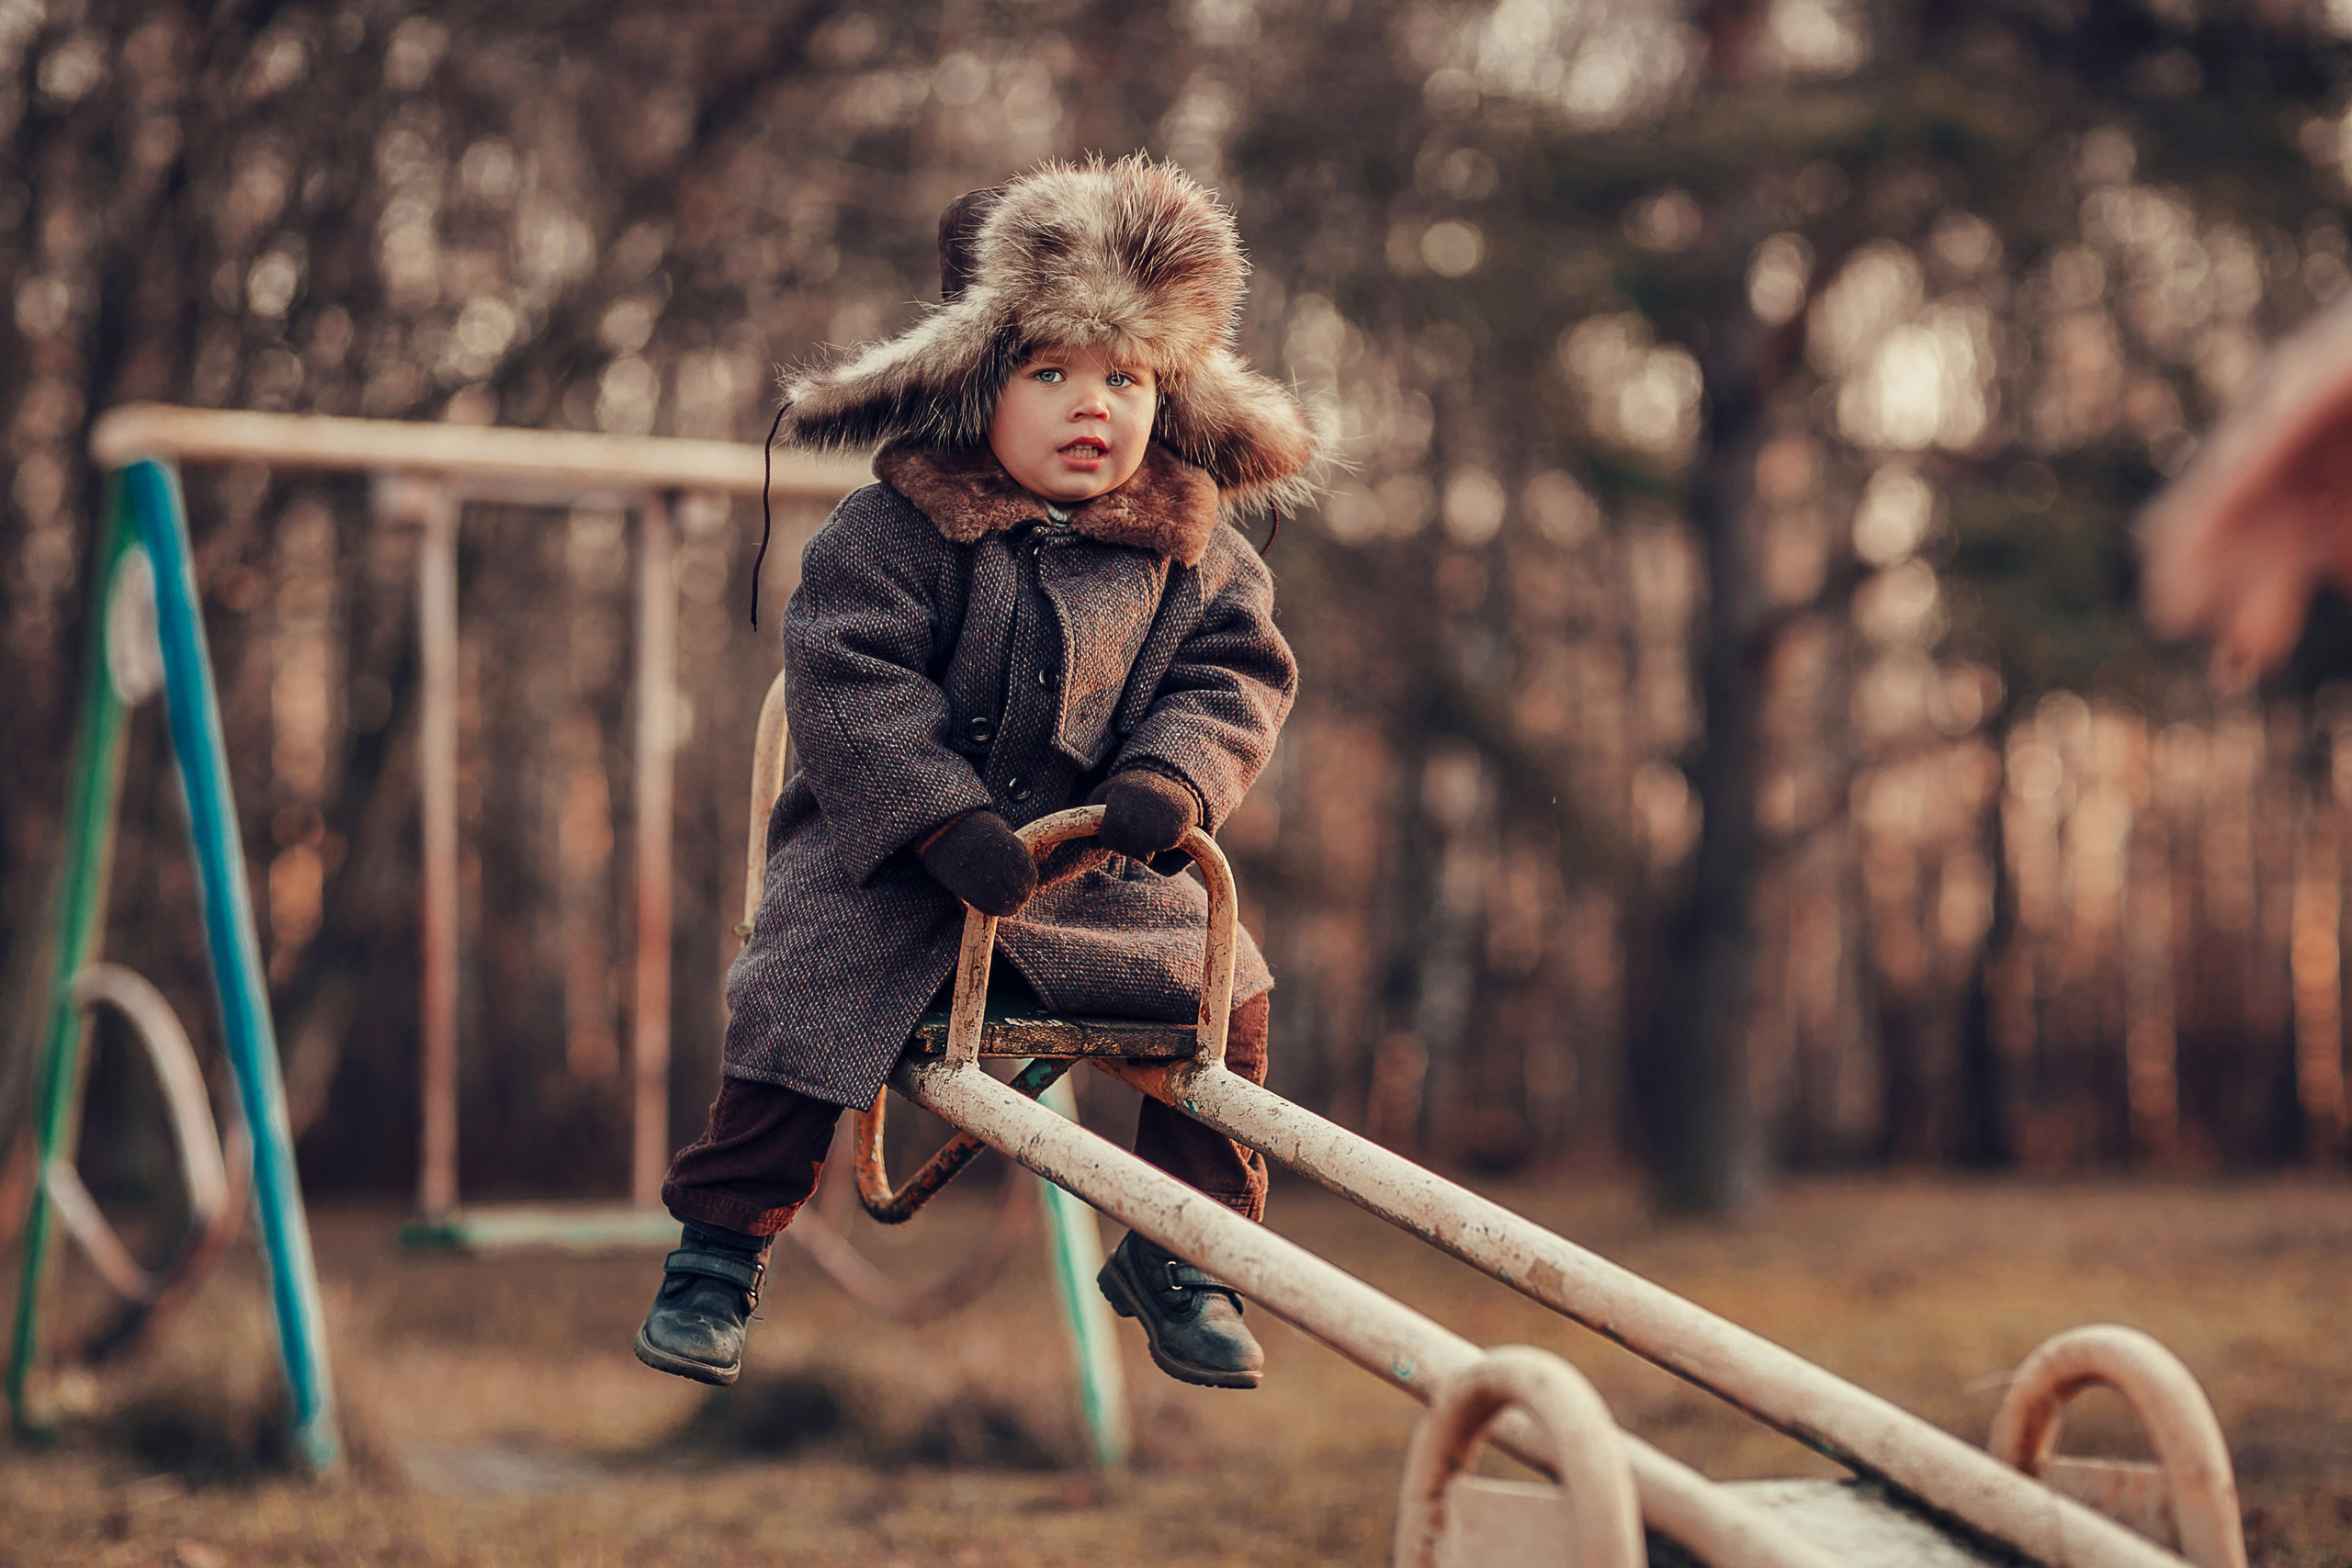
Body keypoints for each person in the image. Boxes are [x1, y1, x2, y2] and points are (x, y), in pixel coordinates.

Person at [634, 156, 1325, 1393]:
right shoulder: (896, 528)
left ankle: (1187, 1249)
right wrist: (933, 815)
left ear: (1168, 391)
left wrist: (1174, 780)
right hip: (898, 867)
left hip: (1097, 870)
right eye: (1049, 372)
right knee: (796, 988)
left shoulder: (1197, 548)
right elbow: (850, 681)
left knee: (1229, 997)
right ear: (970, 383)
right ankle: (718, 1251)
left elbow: (1237, 679)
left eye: (1124, 378)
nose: (1091, 407)